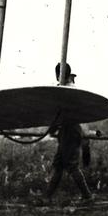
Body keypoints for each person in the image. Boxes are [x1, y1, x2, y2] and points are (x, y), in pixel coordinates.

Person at [44, 63, 93, 202]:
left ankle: (87, 195)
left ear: (60, 74)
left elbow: (64, 112)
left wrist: (54, 127)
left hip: (71, 131)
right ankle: (47, 197)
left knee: (71, 165)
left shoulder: (69, 91)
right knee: (59, 164)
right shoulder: (66, 90)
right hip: (66, 131)